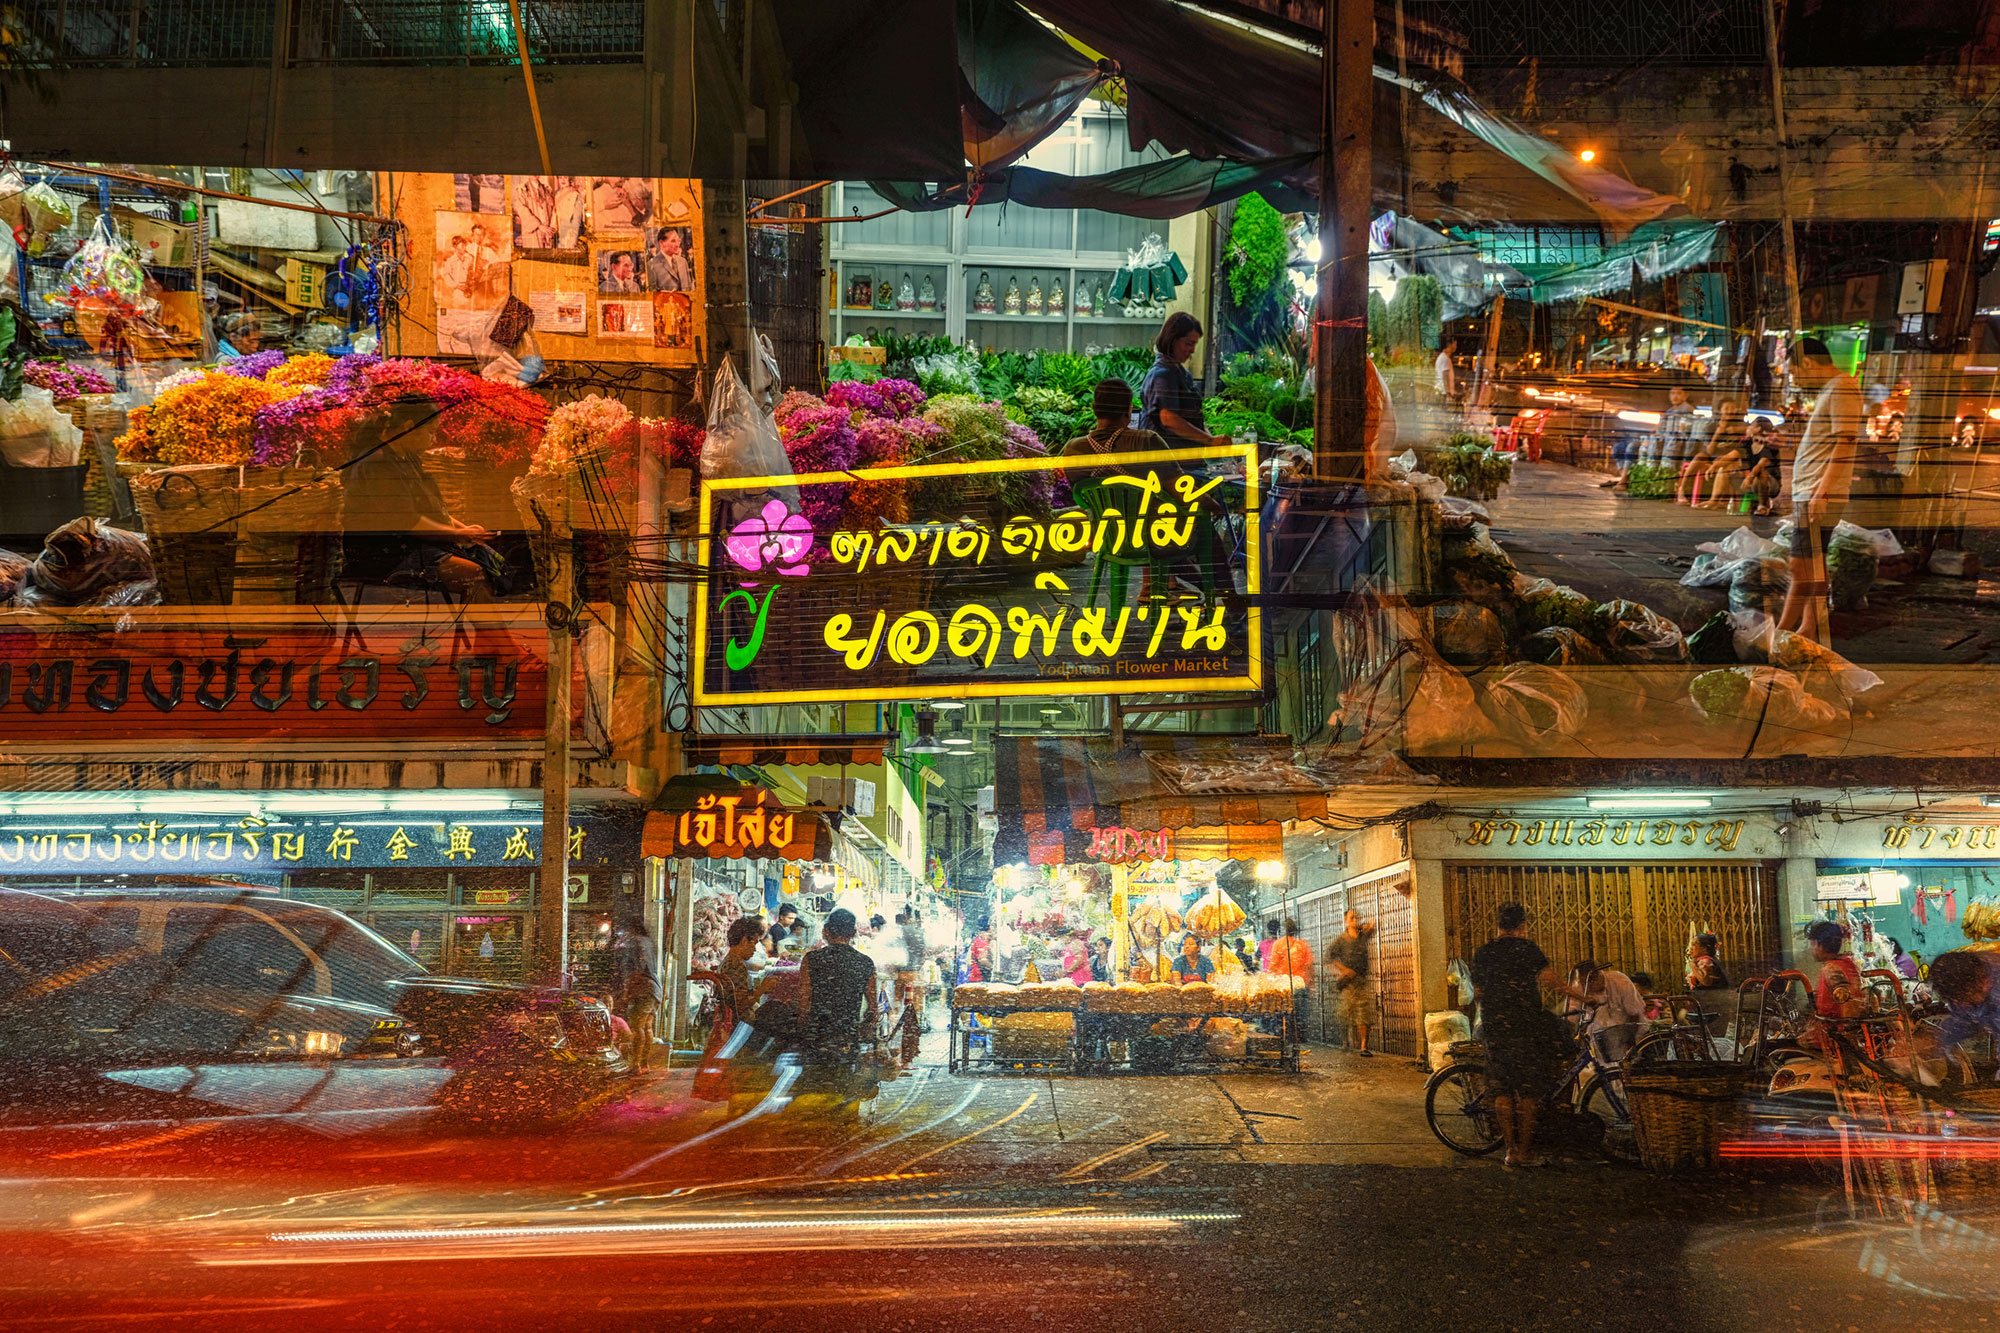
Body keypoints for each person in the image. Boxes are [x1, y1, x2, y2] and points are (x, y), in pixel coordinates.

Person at [341, 394, 502, 599]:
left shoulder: (407, 458)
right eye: (430, 432)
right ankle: (488, 631)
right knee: (473, 574)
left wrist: (464, 529)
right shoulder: (378, 463)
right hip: (382, 554)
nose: (433, 439)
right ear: (409, 426)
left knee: (491, 562)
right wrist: (457, 535)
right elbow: (406, 521)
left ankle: (482, 630)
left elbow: (430, 508)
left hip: (410, 544)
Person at [1778, 337, 1863, 641]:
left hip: (1817, 492)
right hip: (1812, 491)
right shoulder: (1833, 389)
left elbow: (1846, 440)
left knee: (1800, 565)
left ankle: (1787, 630)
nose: (1795, 381)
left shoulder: (1841, 388)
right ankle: (1805, 627)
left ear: (1808, 364)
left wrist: (1822, 492)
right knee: (1811, 564)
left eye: (1793, 373)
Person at [1470, 902, 1559, 1169]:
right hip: (1526, 1027)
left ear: (1498, 924)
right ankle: (1525, 1151)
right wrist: (1582, 997)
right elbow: (1550, 980)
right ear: (1522, 925)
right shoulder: (1528, 949)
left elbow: (1477, 992)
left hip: (1496, 1027)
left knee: (1502, 1089)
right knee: (1529, 1090)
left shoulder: (1485, 952)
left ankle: (1509, 1150)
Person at [1140, 313, 1234, 449]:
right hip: (1165, 462)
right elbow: (1169, 419)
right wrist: (1209, 440)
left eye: (1195, 344)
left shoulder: (1182, 373)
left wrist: (1210, 440)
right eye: (1189, 344)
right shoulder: (1162, 375)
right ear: (1172, 340)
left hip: (1187, 461)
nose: (1192, 350)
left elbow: (1196, 418)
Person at [797, 908, 878, 1059]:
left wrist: (802, 1030)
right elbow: (872, 1010)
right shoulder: (865, 963)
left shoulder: (812, 959)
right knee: (843, 1077)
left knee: (814, 1079)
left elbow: (804, 1002)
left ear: (826, 931)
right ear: (853, 933)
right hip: (847, 1037)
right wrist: (863, 1029)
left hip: (817, 1036)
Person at [1560, 960, 1646, 1067]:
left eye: (1588, 982)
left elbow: (1634, 1014)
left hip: (1626, 1037)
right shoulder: (1579, 987)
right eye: (1582, 982)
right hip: (1598, 1042)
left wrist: (1629, 1043)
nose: (1586, 986)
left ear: (1598, 976)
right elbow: (1572, 1017)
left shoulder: (1620, 981)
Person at [1925, 951, 2000, 1067]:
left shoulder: (1995, 988)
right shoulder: (1964, 982)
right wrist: (1934, 1042)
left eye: (1964, 998)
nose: (1963, 1005)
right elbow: (1962, 1021)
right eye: (1958, 999)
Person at [612, 918, 662, 1073]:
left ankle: (635, 1065)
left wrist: (627, 991)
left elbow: (635, 970)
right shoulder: (649, 942)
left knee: (637, 1027)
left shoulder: (635, 943)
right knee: (647, 1027)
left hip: (642, 989)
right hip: (655, 989)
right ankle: (644, 1063)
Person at [1327, 908, 1376, 1057]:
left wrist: (1362, 925)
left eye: (1357, 917)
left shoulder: (1362, 936)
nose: (1355, 920)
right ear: (1346, 921)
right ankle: (1345, 1042)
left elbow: (1373, 925)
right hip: (1348, 982)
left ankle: (1363, 1046)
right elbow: (1329, 958)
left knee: (1364, 1012)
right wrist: (1343, 970)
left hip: (1361, 980)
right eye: (1352, 918)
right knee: (1345, 1012)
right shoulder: (1341, 940)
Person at [1805, 919, 1866, 1021]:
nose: (1811, 949)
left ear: (1819, 945)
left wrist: (1846, 1031)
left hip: (1837, 1031)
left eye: (1812, 944)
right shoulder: (1847, 963)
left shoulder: (1832, 969)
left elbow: (1847, 1004)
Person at [1266, 918, 1315, 1035]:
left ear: (1284, 930)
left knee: (1283, 1013)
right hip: (1300, 985)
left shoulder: (1279, 944)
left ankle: (1284, 1036)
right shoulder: (1303, 944)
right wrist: (1312, 984)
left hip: (1284, 987)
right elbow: (1309, 966)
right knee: (1300, 1015)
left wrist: (1268, 981)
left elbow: (1273, 965)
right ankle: (1299, 1038)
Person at [649, 226, 693, 292]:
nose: (677, 245)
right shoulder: (652, 265)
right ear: (661, 243)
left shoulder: (683, 262)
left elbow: (690, 288)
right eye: (673, 241)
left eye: (678, 241)